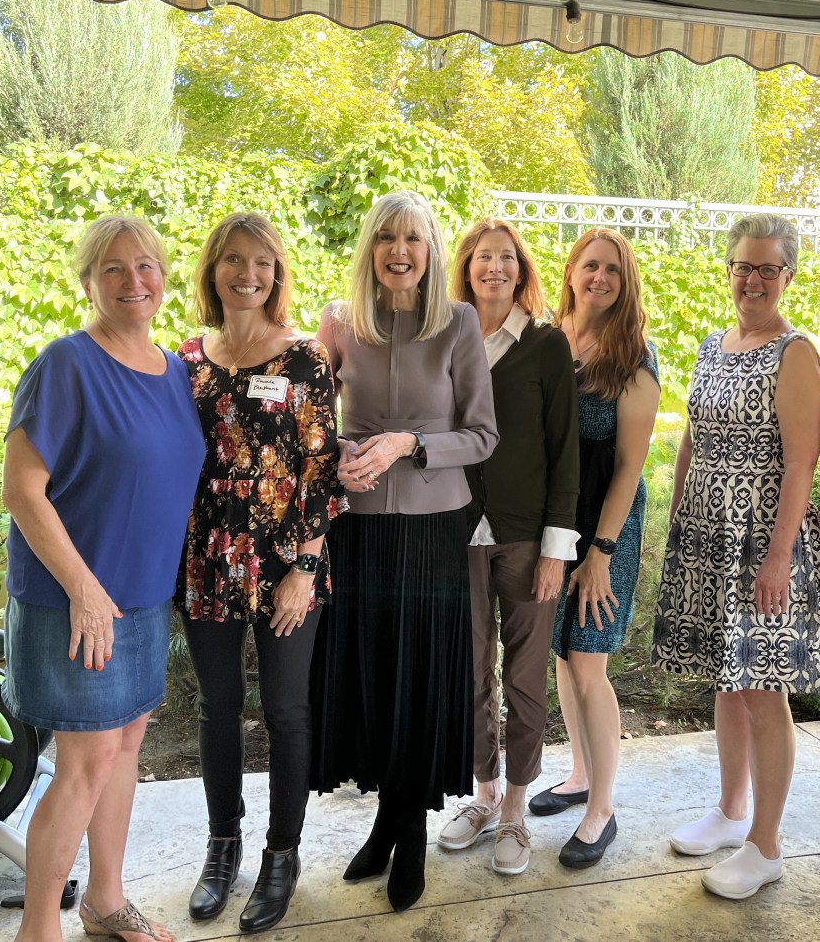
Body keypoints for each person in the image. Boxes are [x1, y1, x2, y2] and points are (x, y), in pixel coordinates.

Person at [1, 215, 205, 942]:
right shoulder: (66, 364)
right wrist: (85, 591)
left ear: (164, 278)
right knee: (84, 764)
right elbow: (22, 490)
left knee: (122, 754)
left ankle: (106, 902)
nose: (132, 280)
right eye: (113, 268)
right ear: (88, 282)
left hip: (143, 599)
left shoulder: (174, 371)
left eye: (145, 265)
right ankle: (38, 929)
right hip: (74, 601)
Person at [310, 191, 498, 912]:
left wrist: (409, 443)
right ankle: (386, 821)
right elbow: (308, 421)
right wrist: (339, 452)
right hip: (356, 530)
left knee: (419, 679)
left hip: (432, 528)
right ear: (371, 248)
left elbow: (482, 435)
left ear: (430, 250)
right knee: (375, 677)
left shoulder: (458, 322)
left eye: (413, 239)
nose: (399, 251)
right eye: (387, 237)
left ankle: (409, 831)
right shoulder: (339, 322)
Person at [651, 214, 820, 899]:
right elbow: (693, 438)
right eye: (742, 266)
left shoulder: (795, 353)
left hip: (761, 539)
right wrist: (679, 520)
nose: (752, 280)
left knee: (760, 690)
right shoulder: (712, 344)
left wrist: (779, 556)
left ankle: (767, 844)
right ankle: (730, 812)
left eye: (767, 268)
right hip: (709, 535)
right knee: (726, 681)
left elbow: (801, 462)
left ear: (788, 276)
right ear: (728, 270)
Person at [178, 213, 346, 934]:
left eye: (262, 262)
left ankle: (283, 854)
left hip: (286, 563)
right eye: (233, 260)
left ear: (277, 273)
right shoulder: (187, 359)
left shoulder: (305, 358)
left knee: (285, 710)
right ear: (212, 270)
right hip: (208, 559)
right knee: (217, 707)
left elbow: (323, 470)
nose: (248, 274)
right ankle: (223, 846)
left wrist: (304, 567)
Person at [435, 218, 578, 875]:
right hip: (457, 531)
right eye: (483, 257)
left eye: (506, 258)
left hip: (526, 537)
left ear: (521, 271)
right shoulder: (443, 339)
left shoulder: (546, 344)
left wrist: (556, 549)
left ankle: (517, 807)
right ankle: (485, 794)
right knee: (467, 672)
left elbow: (564, 452)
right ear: (466, 268)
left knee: (523, 679)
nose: (494, 267)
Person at [527, 228, 659, 869]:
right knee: (562, 653)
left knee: (588, 661)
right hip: (555, 519)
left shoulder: (634, 356)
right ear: (571, 272)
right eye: (590, 266)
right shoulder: (549, 339)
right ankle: (579, 774)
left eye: (611, 269)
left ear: (624, 282)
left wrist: (601, 553)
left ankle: (602, 808)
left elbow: (630, 467)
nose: (599, 278)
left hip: (607, 524)